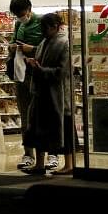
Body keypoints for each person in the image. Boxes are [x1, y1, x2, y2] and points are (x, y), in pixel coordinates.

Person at [23, 12, 74, 176]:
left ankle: (69, 164)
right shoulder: (45, 41)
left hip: (58, 96)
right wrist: (32, 64)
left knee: (64, 129)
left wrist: (40, 70)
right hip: (42, 94)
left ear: (54, 27)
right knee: (38, 129)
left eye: (45, 28)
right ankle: (39, 164)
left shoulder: (64, 43)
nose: (42, 31)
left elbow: (62, 72)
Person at [6, 0, 45, 171]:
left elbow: (48, 47)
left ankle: (46, 154)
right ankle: (28, 153)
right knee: (24, 115)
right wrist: (12, 47)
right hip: (22, 75)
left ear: (29, 8)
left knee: (41, 116)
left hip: (39, 75)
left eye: (22, 13)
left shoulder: (42, 22)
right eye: (17, 15)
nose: (21, 17)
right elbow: (13, 42)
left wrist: (32, 49)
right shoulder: (18, 24)